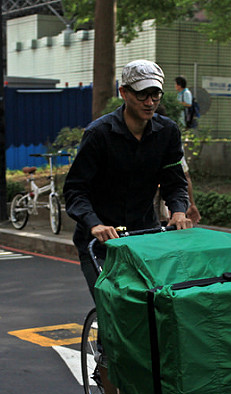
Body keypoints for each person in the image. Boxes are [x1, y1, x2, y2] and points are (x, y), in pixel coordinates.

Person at [64, 59, 193, 295]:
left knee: (156, 304)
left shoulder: (168, 131)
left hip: (144, 235)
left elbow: (174, 182)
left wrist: (178, 211)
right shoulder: (98, 134)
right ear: (123, 92)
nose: (150, 102)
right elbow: (75, 190)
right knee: (113, 307)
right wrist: (95, 225)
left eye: (156, 95)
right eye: (142, 95)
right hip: (102, 242)